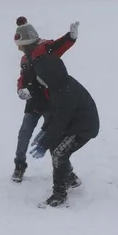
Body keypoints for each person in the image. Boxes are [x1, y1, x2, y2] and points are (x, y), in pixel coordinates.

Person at [17, 27, 99, 208]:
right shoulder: (57, 87)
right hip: (72, 124)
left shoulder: (65, 92)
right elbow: (54, 117)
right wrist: (45, 133)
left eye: (41, 78)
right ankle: (68, 177)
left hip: (84, 127)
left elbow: (60, 121)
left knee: (59, 153)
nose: (39, 81)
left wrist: (45, 141)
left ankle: (59, 195)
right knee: (56, 147)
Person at [11, 16, 78, 183]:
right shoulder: (25, 59)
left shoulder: (45, 49)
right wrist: (21, 89)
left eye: (21, 46)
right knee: (24, 134)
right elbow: (23, 77)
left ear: (29, 41)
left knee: (53, 138)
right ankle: (19, 165)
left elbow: (59, 45)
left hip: (50, 102)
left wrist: (70, 37)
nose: (19, 50)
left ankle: (68, 172)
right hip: (33, 103)